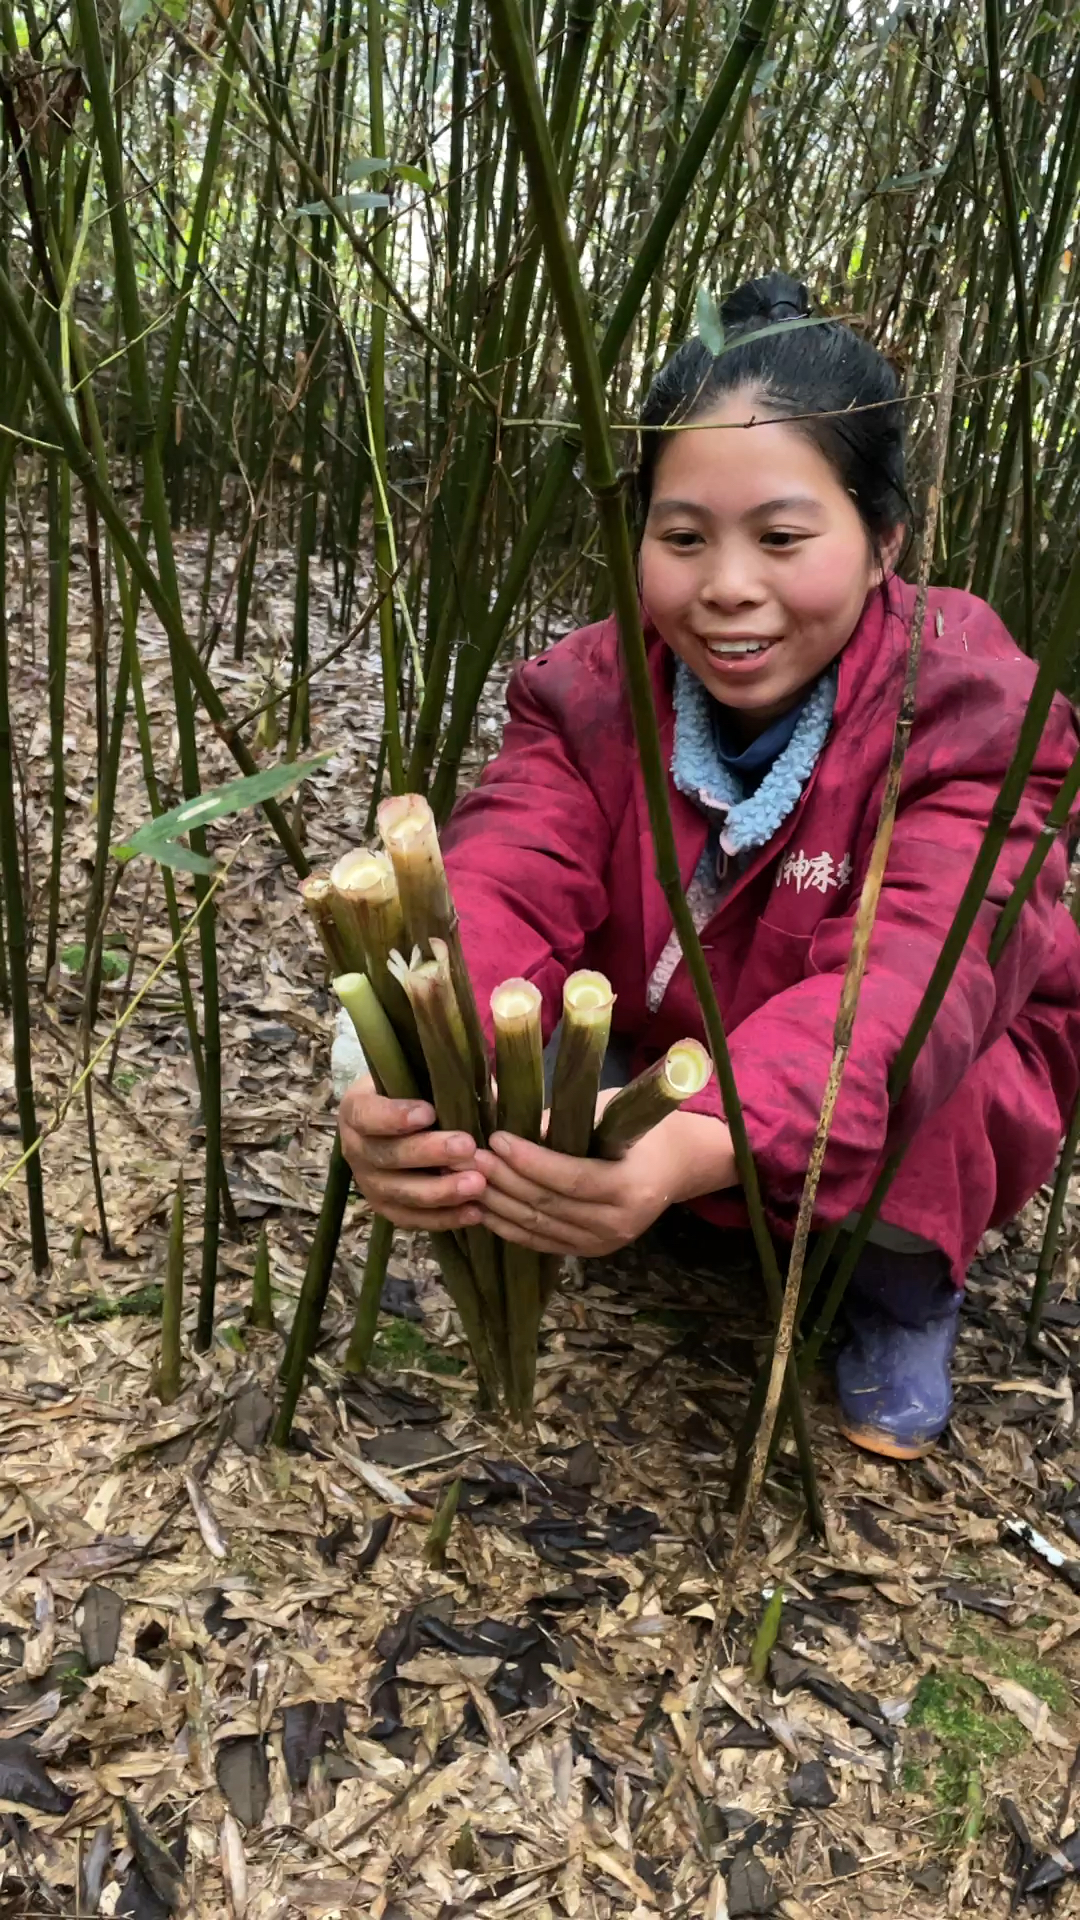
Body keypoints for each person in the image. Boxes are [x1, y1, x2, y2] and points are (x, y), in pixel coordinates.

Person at [339, 271, 1080, 1461]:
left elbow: (900, 994)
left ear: (885, 539)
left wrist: (685, 1143)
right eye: (682, 538)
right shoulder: (587, 689)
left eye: (784, 538)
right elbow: (502, 874)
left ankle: (897, 1291)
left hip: (872, 1074)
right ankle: (680, 1190)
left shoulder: (974, 712)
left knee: (943, 1075)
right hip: (677, 1037)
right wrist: (406, 1068)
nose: (728, 586)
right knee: (487, 1016)